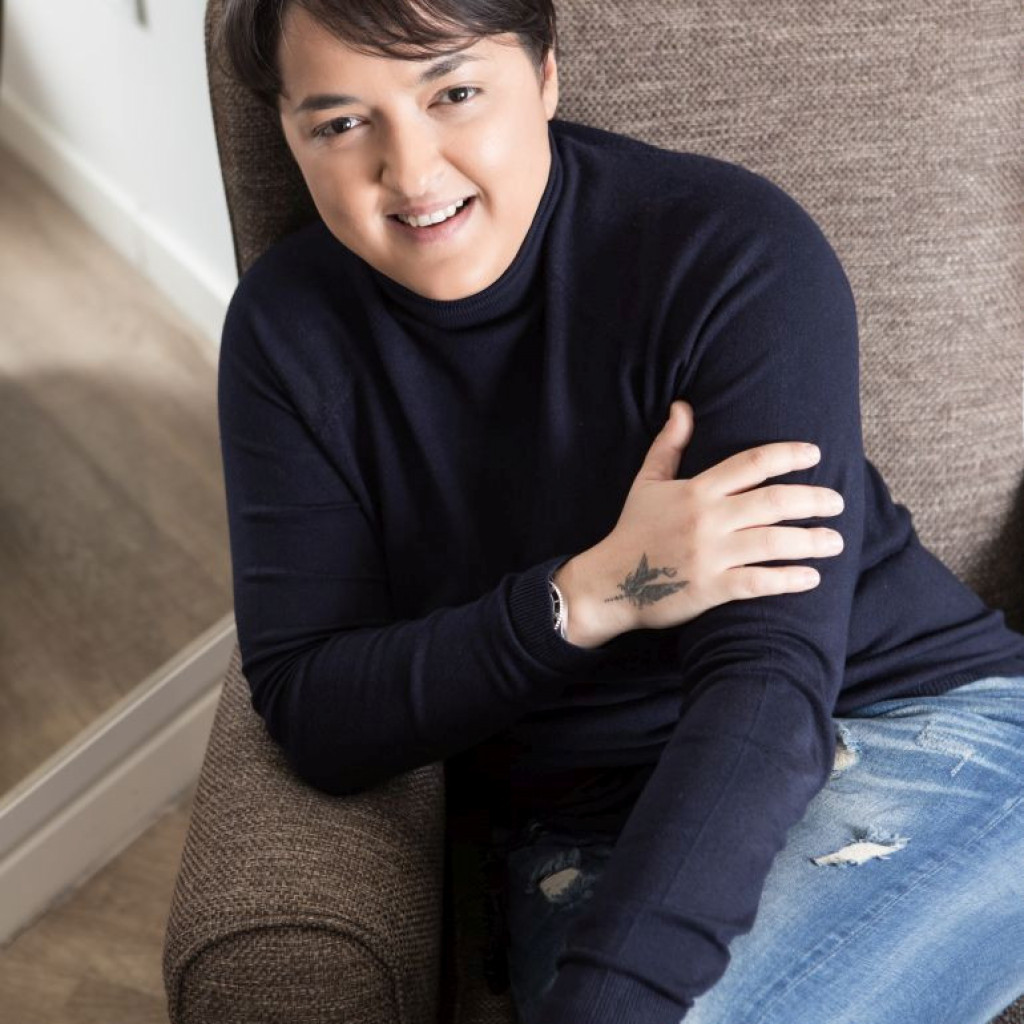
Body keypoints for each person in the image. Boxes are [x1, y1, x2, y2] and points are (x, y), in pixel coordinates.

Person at [215, 2, 1024, 1022]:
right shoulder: (284, 337)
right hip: (581, 829)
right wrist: (587, 596)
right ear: (289, 133)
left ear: (545, 75)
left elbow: (767, 689)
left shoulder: (726, 251)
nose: (411, 173)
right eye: (340, 123)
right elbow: (317, 712)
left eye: (454, 92)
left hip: (912, 726)